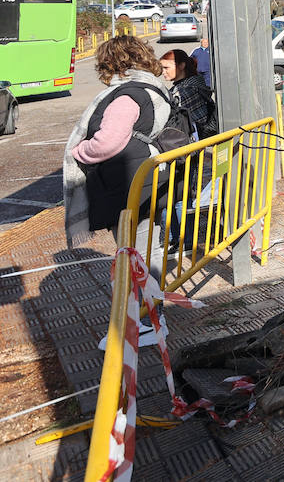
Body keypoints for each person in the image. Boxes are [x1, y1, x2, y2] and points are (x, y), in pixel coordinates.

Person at [62, 36, 173, 345]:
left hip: (125, 183)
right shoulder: (154, 88)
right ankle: (149, 317)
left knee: (135, 252)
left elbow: (108, 142)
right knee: (145, 248)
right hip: (149, 178)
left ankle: (149, 322)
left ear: (115, 64)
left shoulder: (126, 96)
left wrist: (79, 150)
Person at [160, 50, 218, 139]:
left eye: (166, 68)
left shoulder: (184, 91)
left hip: (194, 137)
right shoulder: (196, 79)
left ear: (182, 66)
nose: (163, 72)